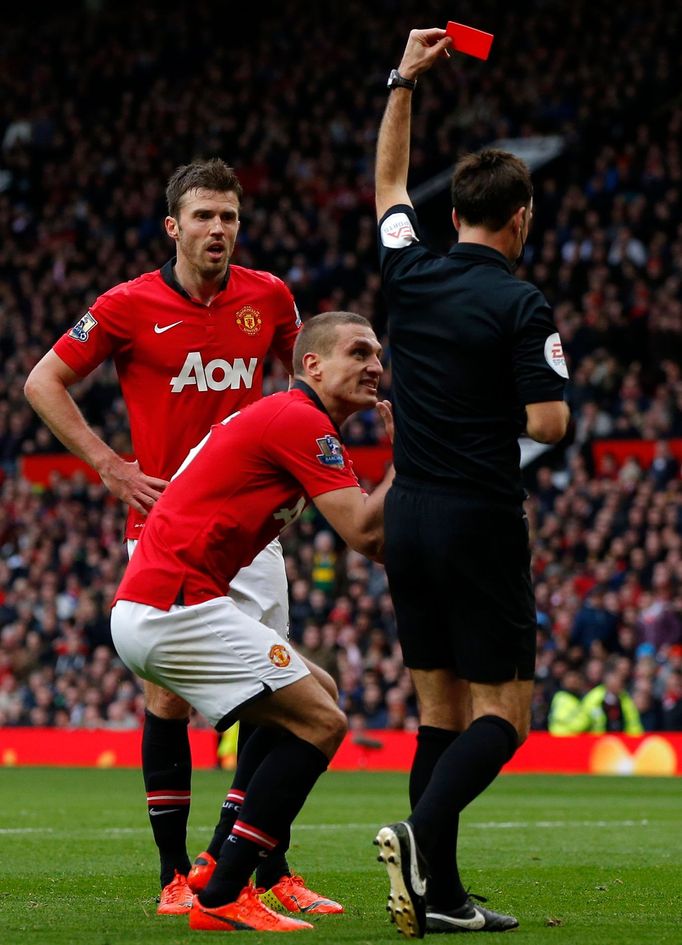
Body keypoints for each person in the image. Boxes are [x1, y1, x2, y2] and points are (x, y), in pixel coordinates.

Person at [23, 158, 340, 916]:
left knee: (281, 692)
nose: (218, 229)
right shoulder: (128, 305)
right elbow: (43, 381)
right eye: (203, 216)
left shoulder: (268, 297)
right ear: (174, 226)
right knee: (167, 702)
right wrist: (109, 465)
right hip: (165, 529)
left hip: (254, 532)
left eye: (229, 216)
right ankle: (176, 875)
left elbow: (309, 378)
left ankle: (261, 868)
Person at [373, 28, 570, 938]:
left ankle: (438, 895)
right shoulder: (522, 303)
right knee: (507, 713)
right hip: (479, 516)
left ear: (453, 216)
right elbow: (549, 424)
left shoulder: (407, 270)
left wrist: (404, 81)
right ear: (519, 218)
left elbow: (385, 188)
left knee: (437, 712)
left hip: (404, 512)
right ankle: (417, 837)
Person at [110, 311, 394, 931]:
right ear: (312, 365)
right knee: (324, 723)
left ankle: (217, 863)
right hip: (174, 606)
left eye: (378, 353)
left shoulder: (287, 417)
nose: (375, 365)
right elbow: (365, 534)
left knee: (318, 693)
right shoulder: (299, 420)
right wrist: (410, 456)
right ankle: (221, 894)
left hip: (164, 603)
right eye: (359, 352)